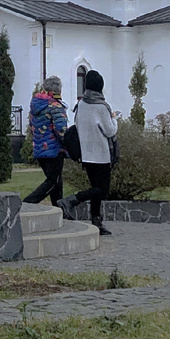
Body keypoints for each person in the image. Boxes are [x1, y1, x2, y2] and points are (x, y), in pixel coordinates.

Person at [56, 69, 117, 236]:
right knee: (101, 190)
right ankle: (71, 200)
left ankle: (96, 222)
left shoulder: (81, 105)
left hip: (85, 154)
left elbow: (77, 125)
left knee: (96, 188)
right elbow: (110, 131)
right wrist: (114, 118)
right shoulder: (101, 106)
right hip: (101, 154)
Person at [23, 75, 68, 206]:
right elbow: (61, 131)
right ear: (58, 90)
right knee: (53, 181)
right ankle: (27, 204)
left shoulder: (35, 105)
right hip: (54, 150)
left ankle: (59, 210)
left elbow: (32, 127)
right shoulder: (55, 106)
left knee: (57, 183)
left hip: (39, 149)